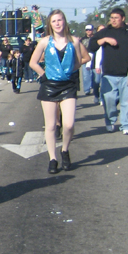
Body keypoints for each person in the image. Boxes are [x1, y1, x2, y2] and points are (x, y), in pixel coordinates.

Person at [29, 10, 90, 174]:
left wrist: (67, 71)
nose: (57, 23)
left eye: (60, 20)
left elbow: (79, 61)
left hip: (67, 86)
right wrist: (44, 75)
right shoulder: (44, 41)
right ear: (50, 24)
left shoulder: (74, 41)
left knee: (69, 124)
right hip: (49, 86)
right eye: (54, 21)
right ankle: (53, 158)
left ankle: (65, 150)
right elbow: (33, 62)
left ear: (65, 21)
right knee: (50, 126)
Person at [88, 9, 128, 134]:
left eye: (116, 17)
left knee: (126, 102)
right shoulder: (105, 32)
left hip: (125, 74)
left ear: (123, 18)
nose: (113, 20)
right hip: (109, 74)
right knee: (109, 100)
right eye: (111, 17)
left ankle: (126, 125)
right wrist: (104, 40)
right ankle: (110, 121)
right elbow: (92, 46)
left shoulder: (127, 33)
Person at [81, 25, 95, 96]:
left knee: (94, 75)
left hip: (94, 59)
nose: (88, 31)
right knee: (86, 75)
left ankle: (94, 87)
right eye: (87, 30)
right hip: (85, 59)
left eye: (90, 30)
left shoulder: (95, 38)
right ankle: (87, 90)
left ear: (93, 30)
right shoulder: (82, 39)